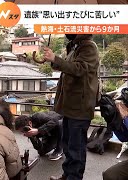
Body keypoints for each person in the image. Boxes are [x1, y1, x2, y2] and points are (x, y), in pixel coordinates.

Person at [44, 34, 99, 180]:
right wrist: (52, 59)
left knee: (76, 147)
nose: (68, 30)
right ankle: (67, 174)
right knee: (68, 144)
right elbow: (67, 67)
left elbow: (79, 69)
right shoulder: (75, 47)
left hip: (80, 107)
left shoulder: (88, 47)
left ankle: (74, 177)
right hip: (70, 106)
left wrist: (55, 58)